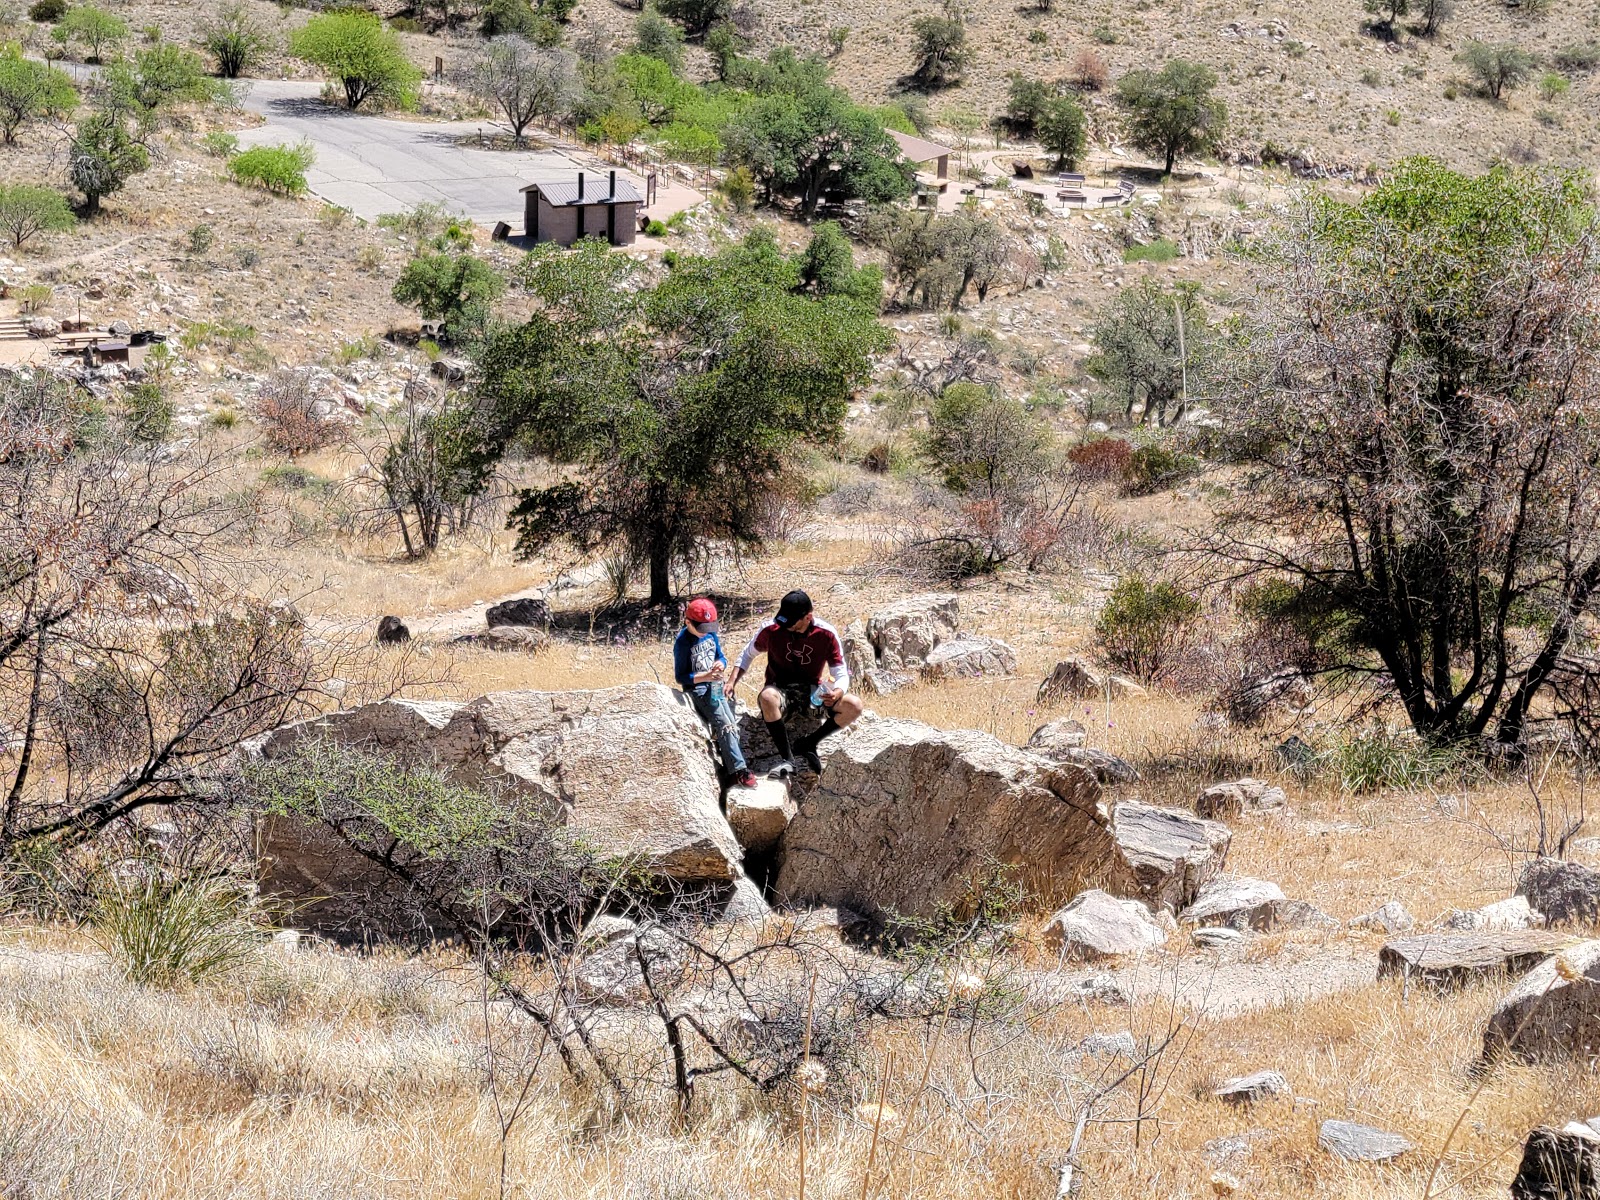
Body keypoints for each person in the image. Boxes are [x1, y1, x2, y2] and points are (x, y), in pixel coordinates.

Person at [728, 589, 864, 778]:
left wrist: (838, 692)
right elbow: (747, 654)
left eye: (793, 623)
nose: (787, 627)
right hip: (780, 691)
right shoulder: (772, 629)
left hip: (812, 693)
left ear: (808, 617)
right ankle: (788, 759)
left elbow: (840, 672)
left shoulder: (826, 634)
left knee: (854, 705)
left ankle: (810, 743)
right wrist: (732, 681)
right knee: (767, 697)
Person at [674, 597, 758, 789]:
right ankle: (739, 771)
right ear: (688, 622)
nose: (706, 633)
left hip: (715, 685)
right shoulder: (683, 642)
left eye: (709, 627)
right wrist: (705, 676)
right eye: (701, 629)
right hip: (699, 689)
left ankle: (729, 763)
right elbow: (681, 676)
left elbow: (720, 655)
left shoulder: (710, 634)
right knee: (725, 724)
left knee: (732, 723)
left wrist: (721, 663)